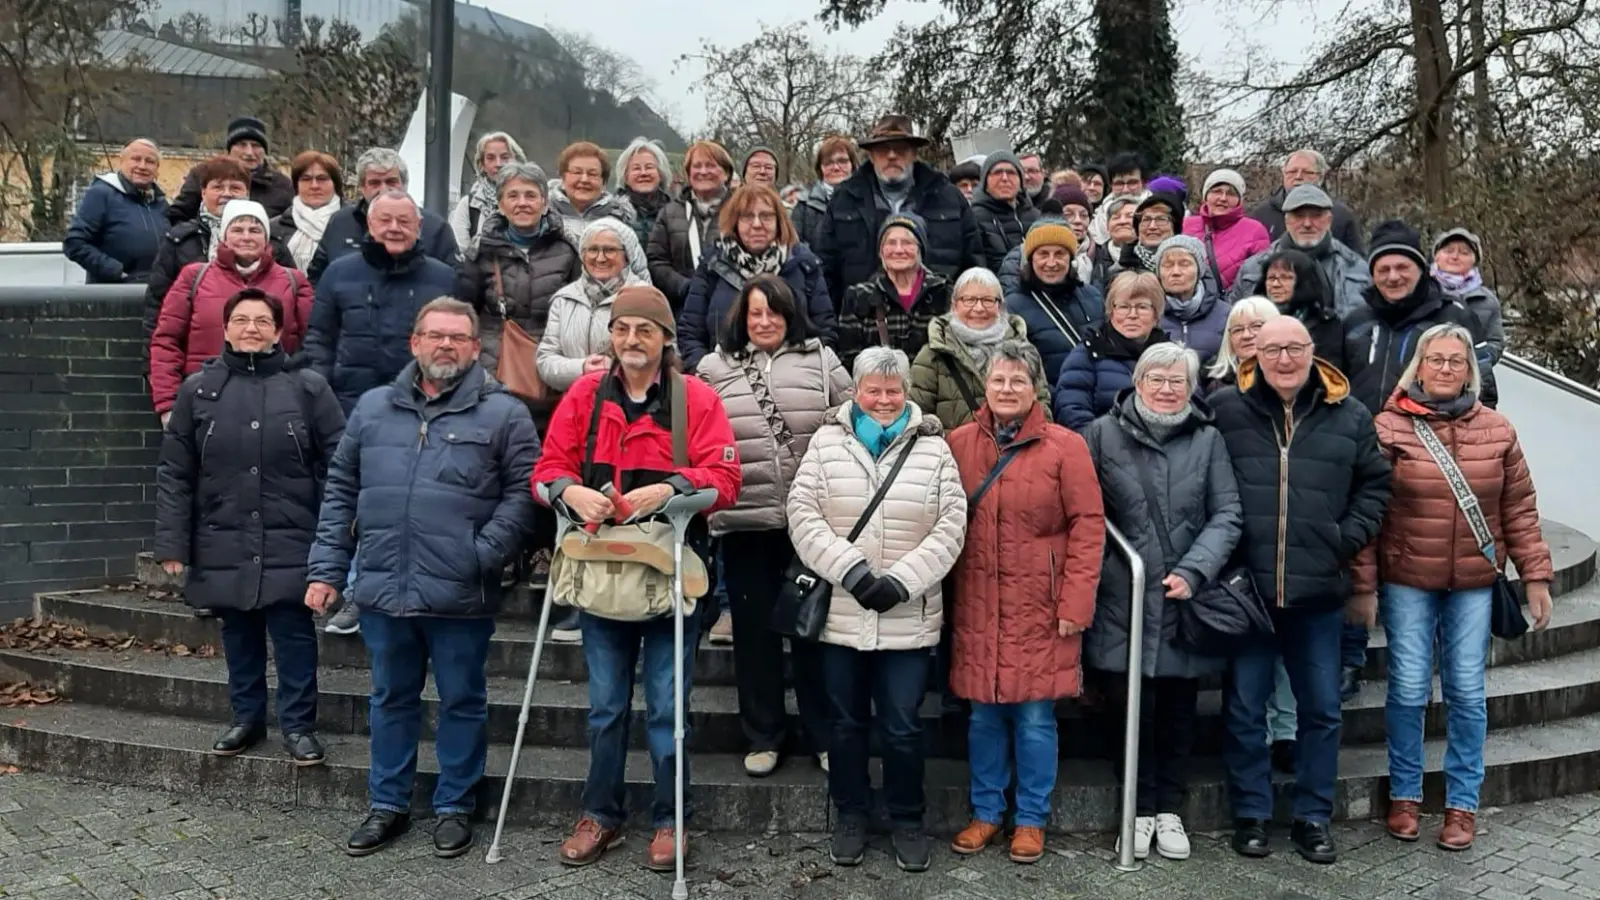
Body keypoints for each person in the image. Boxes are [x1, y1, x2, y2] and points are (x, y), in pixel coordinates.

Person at [305, 297, 537, 859]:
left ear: (475, 348)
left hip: (460, 590)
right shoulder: (373, 408)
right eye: (435, 335)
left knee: (461, 700)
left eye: (457, 337)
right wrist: (327, 568)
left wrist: (482, 553)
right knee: (389, 698)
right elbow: (340, 492)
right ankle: (387, 804)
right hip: (383, 585)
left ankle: (456, 805)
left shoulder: (505, 413)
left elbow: (526, 495)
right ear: (415, 342)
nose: (445, 345)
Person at [533, 285, 742, 870]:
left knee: (668, 710)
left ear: (666, 338)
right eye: (622, 329)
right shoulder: (584, 395)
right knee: (605, 708)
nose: (631, 340)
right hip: (602, 575)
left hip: (672, 575)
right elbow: (546, 469)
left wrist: (671, 489)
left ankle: (672, 819)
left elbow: (727, 478)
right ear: (610, 335)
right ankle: (600, 813)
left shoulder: (695, 398)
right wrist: (569, 491)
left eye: (645, 330)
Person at [1346, 323, 1551, 851]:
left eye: (1455, 361)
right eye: (1434, 360)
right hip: (1408, 579)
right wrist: (1363, 584)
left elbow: (1519, 510)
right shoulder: (1388, 427)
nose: (1444, 369)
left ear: (1470, 372)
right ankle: (1405, 795)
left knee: (1466, 691)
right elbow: (1368, 513)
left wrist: (1536, 576)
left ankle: (1462, 805)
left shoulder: (1498, 430)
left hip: (1474, 583)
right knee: (1409, 688)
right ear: (1418, 366)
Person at [1211, 317, 1391, 865]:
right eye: (1272, 350)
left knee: (1321, 711)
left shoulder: (1349, 414)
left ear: (1313, 352)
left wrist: (1344, 537)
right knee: (1245, 710)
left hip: (1318, 592)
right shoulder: (1226, 409)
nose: (1284, 359)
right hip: (1250, 592)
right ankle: (1251, 814)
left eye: (1294, 348)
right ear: (1254, 356)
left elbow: (1376, 484)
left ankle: (1313, 817)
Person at [786, 346, 966, 874]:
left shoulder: (934, 449)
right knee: (845, 724)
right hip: (842, 612)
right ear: (856, 392)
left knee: (903, 725)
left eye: (893, 390)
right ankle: (851, 814)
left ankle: (907, 818)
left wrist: (902, 581)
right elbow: (802, 514)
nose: (883, 399)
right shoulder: (826, 443)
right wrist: (853, 572)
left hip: (908, 616)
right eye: (873, 390)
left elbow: (951, 525)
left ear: (906, 391)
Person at [154, 288, 344, 765]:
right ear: (226, 328)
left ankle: (298, 725)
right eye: (241, 320)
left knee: (293, 634)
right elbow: (176, 471)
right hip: (222, 533)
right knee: (238, 634)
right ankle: (247, 718)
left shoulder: (308, 388)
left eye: (262, 321)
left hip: (293, 533)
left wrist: (333, 536)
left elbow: (339, 465)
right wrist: (173, 541)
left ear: (279, 331)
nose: (251, 328)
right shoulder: (198, 390)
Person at [1082, 343, 1244, 861]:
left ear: (1192, 387)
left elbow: (1227, 513)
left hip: (1182, 595)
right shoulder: (1101, 434)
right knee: (1129, 708)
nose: (1167, 388)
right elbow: (1084, 510)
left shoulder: (1208, 439)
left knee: (1177, 709)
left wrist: (1195, 570)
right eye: (1157, 378)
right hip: (1121, 595)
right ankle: (1137, 808)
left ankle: (1169, 807)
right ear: (1138, 381)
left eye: (1179, 380)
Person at [946, 340, 1104, 864]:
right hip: (978, 601)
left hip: (1042, 605)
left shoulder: (1065, 447)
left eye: (1018, 380)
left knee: (1035, 718)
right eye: (998, 379)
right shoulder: (958, 443)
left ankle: (1031, 819)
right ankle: (986, 813)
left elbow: (1088, 525)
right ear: (984, 385)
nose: (1007, 389)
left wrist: (1075, 603)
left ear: (1036, 387)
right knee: (984, 716)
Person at [695, 275, 850, 777]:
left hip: (810, 523)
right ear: (741, 318)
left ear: (790, 315)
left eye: (774, 312)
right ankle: (763, 735)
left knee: (812, 632)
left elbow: (853, 417)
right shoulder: (713, 367)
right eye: (755, 313)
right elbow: (696, 436)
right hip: (745, 521)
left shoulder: (822, 360)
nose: (764, 322)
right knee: (754, 636)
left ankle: (823, 734)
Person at [530, 216, 649, 643]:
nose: (600, 257)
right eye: (592, 250)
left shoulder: (642, 295)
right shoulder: (565, 299)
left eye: (610, 250)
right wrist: (583, 368)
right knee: (578, 503)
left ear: (626, 255)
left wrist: (617, 370)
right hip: (578, 411)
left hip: (629, 410)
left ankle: (629, 596)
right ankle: (579, 599)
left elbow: (654, 348)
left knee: (616, 502)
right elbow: (544, 360)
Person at [148, 200, 313, 421]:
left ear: (266, 238)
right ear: (224, 236)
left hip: (276, 403)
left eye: (255, 230)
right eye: (237, 229)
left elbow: (314, 344)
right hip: (206, 402)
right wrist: (168, 404)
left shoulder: (294, 280)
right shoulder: (193, 277)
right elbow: (166, 341)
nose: (246, 236)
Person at [303, 189, 459, 416]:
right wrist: (321, 391)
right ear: (370, 224)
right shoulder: (338, 272)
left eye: (404, 221)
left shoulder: (444, 278)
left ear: (419, 225)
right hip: (348, 404)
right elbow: (320, 338)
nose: (394, 228)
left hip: (423, 405)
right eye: (385, 220)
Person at [815, 114, 982, 306]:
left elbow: (974, 265)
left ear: (914, 153)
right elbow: (825, 267)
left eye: (901, 148)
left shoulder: (948, 197)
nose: (892, 155)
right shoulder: (844, 200)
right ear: (871, 156)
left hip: (939, 313)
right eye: (883, 149)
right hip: (864, 315)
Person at [142, 157, 298, 351]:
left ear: (247, 194)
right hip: (199, 352)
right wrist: (154, 358)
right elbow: (157, 305)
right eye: (218, 187)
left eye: (235, 188)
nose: (227, 194)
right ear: (203, 192)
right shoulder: (180, 240)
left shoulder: (271, 243)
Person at [678, 184, 837, 372]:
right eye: (747, 216)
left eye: (766, 216)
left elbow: (825, 331)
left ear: (779, 221)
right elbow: (690, 333)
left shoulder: (804, 266)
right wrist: (708, 374)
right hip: (723, 379)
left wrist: (804, 374)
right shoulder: (712, 266)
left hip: (794, 379)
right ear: (735, 221)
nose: (756, 224)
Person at [454, 161, 580, 386]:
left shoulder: (568, 249)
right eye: (513, 196)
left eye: (530, 195)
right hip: (492, 366)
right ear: (501, 205)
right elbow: (465, 310)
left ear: (544, 203)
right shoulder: (481, 250)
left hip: (552, 365)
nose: (522, 203)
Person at [1343, 220, 1479, 415]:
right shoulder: (1355, 321)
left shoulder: (1454, 317)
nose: (1393, 277)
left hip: (1432, 431)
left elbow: (1481, 386)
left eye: (1402, 267)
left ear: (1421, 269)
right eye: (1383, 270)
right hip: (1362, 431)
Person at [910, 268, 1045, 429]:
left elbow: (1042, 407)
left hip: (1018, 444)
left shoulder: (1024, 350)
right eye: (969, 300)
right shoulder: (932, 355)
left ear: (1000, 306)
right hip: (952, 444)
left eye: (988, 300)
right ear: (954, 305)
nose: (979, 308)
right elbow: (918, 418)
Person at [306, 148, 459, 284]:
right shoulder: (340, 223)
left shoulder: (435, 228)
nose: (384, 189)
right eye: (375, 183)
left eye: (391, 182)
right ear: (362, 187)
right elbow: (317, 276)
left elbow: (454, 280)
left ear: (404, 184)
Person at [1053, 272, 1172, 430]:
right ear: (1111, 312)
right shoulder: (1087, 355)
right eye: (1123, 307)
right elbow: (1072, 414)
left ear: (1156, 315)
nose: (1132, 315)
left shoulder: (1172, 357)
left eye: (1142, 307)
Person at [835, 213, 953, 370]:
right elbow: (849, 358)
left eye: (907, 243)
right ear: (880, 252)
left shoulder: (944, 293)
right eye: (890, 243)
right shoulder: (858, 297)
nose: (898, 250)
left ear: (920, 249)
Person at [1232, 185, 1370, 316]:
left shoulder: (1356, 268)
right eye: (1299, 216)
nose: (1307, 224)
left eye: (1316, 216)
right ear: (1286, 222)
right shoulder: (1253, 269)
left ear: (1329, 221)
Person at [1004, 218, 1105, 384]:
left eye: (1059, 254)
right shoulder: (1013, 306)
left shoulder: (1092, 296)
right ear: (1030, 259)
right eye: (1043, 254)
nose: (1051, 263)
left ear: (1070, 258)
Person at [64, 138, 169, 284]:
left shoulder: (161, 204)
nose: (142, 166)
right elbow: (75, 243)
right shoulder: (101, 194)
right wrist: (115, 271)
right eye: (136, 159)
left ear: (157, 168)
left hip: (156, 292)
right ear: (122, 161)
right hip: (113, 293)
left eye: (150, 161)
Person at [648, 140, 734, 308]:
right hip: (682, 306)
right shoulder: (669, 213)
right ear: (688, 174)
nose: (703, 171)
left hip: (730, 307)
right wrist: (685, 287)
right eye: (697, 166)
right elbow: (657, 261)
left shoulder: (741, 210)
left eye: (711, 165)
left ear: (726, 173)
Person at [167, 116, 294, 223]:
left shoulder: (281, 185)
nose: (249, 152)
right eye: (242, 145)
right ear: (229, 149)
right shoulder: (203, 175)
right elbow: (179, 215)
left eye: (256, 146)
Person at [1431, 228, 1505, 407]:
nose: (1455, 257)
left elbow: (1495, 343)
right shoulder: (1421, 293)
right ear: (1436, 256)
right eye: (1449, 251)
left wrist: (1465, 363)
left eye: (1464, 252)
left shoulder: (1487, 300)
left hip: (1472, 388)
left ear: (1474, 260)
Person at [1248, 149, 1364, 253]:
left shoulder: (1340, 214)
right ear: (1283, 174)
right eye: (1292, 172)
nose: (1298, 176)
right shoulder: (1262, 214)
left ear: (1321, 177)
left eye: (1307, 172)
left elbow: (1355, 260)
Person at [548, 142, 641, 271]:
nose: (584, 179)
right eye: (577, 172)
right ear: (563, 178)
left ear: (603, 182)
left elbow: (638, 270)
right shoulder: (543, 218)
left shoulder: (620, 221)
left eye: (592, 174)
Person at [1253, 248, 1347, 371]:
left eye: (1286, 278)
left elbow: (1328, 370)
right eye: (1271, 278)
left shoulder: (1325, 324)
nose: (1276, 284)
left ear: (1304, 282)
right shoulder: (1253, 320)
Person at [1183, 169, 1269, 292]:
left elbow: (1259, 278)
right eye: (1217, 191)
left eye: (1231, 193)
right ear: (1205, 196)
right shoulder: (1186, 225)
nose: (1223, 198)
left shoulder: (1255, 231)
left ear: (1239, 200)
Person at [1155, 235, 1231, 365]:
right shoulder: (1149, 313)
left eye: (1184, 264)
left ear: (1199, 271)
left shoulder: (1226, 314)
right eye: (1167, 265)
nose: (1176, 272)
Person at [449, 131, 526, 250]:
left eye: (505, 157)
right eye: (491, 158)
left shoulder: (531, 199)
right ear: (482, 165)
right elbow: (461, 251)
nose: (499, 164)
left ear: (516, 161)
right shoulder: (469, 205)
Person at [272, 151, 344, 272]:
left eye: (322, 179)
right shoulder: (274, 229)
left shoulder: (354, 223)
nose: (314, 186)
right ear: (296, 185)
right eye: (306, 179)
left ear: (335, 184)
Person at [970, 152, 1040, 271]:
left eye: (1011, 172)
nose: (1004, 178)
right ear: (985, 181)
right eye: (997, 173)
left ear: (1020, 180)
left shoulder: (1036, 217)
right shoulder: (973, 218)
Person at [790, 135, 859, 251]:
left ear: (852, 165)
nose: (836, 168)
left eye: (842, 161)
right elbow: (795, 247)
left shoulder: (869, 199)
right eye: (828, 163)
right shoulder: (804, 204)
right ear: (820, 168)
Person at [1204, 296, 1281, 393]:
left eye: (1256, 326)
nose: (1246, 335)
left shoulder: (1294, 377)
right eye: (1238, 330)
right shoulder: (1216, 387)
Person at [614, 137, 674, 247]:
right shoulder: (613, 213)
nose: (643, 173)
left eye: (649, 167)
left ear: (661, 174)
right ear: (625, 176)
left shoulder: (675, 214)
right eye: (636, 168)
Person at [1112, 192, 1182, 280]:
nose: (1152, 226)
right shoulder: (1119, 272)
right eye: (1146, 220)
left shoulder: (1188, 265)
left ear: (1174, 227)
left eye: (1161, 219)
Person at [1089, 196, 1139, 288]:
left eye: (1130, 216)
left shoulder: (1152, 256)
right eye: (1116, 217)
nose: (1122, 221)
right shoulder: (1093, 256)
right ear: (1107, 226)